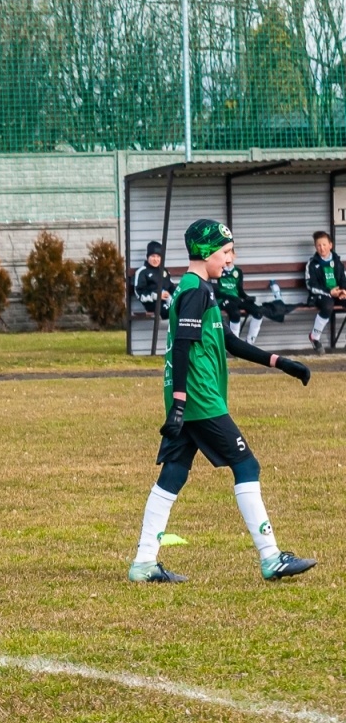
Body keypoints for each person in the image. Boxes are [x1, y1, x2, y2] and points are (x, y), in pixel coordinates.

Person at [130, 218, 315, 584]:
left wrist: (281, 362)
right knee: (247, 465)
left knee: (174, 474)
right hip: (200, 399)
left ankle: (143, 563)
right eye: (226, 252)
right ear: (205, 252)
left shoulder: (198, 289)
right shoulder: (195, 291)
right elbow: (182, 346)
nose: (230, 260)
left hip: (193, 399)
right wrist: (181, 402)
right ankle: (271, 557)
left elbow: (229, 342)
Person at [305, 230, 346, 353]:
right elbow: (310, 285)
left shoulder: (337, 261)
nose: (321, 248)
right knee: (328, 305)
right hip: (321, 295)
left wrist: (344, 290)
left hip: (337, 293)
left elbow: (343, 279)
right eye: (318, 245)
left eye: (324, 244)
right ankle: (314, 337)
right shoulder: (312, 264)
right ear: (315, 247)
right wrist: (329, 292)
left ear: (330, 245)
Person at [214, 253, 260, 341]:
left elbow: (240, 290)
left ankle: (250, 342)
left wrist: (247, 297)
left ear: (234, 256)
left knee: (258, 311)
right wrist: (231, 297)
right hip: (223, 299)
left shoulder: (238, 271)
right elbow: (216, 291)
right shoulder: (217, 270)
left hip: (235, 299)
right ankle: (235, 344)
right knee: (235, 313)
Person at [133, 240, 174, 319]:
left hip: (167, 301)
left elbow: (171, 286)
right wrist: (157, 295)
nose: (156, 259)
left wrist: (178, 295)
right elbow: (139, 293)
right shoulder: (142, 272)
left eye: (158, 256)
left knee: (183, 307)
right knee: (173, 311)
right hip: (152, 303)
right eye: (153, 256)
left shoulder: (164, 271)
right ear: (148, 257)